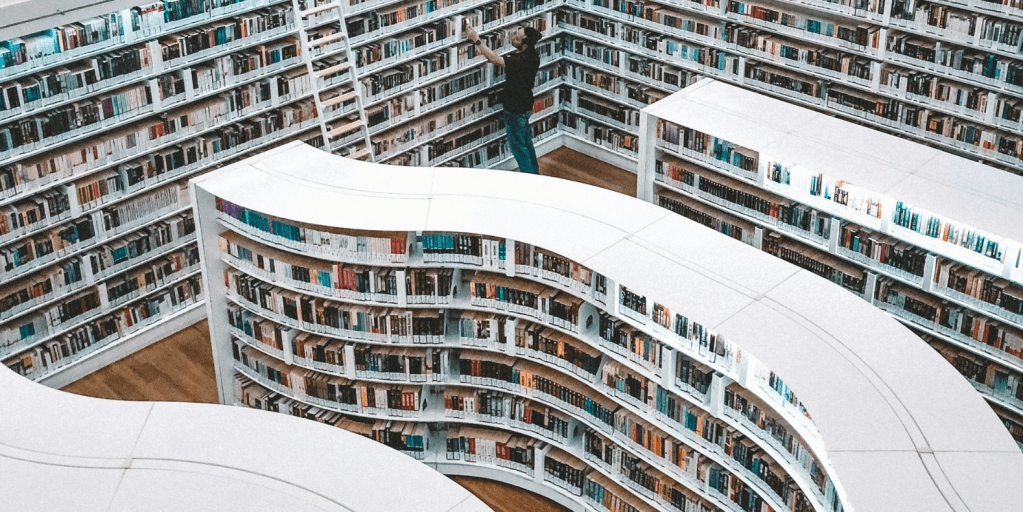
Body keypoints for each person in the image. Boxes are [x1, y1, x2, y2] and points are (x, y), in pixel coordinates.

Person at [462, 20, 543, 174]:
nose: (513, 38)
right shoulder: (533, 55)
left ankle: (530, 179)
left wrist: (476, 40)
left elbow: (494, 59)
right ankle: (535, 175)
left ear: (524, 45)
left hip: (515, 109)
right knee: (526, 142)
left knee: (518, 148)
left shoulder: (520, 61)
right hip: (525, 106)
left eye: (517, 38)